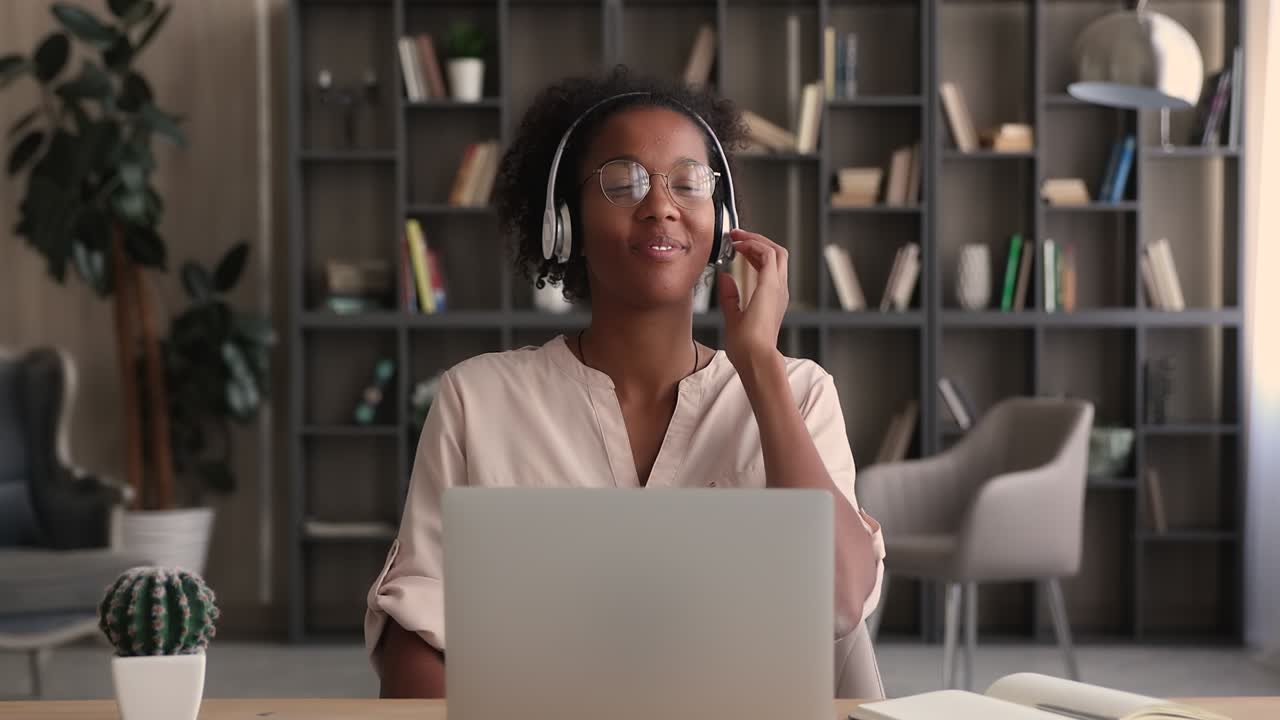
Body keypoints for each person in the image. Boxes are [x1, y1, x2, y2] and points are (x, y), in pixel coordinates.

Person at [366, 65, 885, 699]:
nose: (661, 205)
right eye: (622, 181)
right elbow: (418, 629)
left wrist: (759, 365)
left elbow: (840, 601)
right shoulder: (478, 400)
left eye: (690, 184)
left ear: (721, 224)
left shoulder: (799, 391)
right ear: (566, 221)